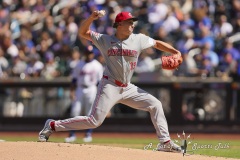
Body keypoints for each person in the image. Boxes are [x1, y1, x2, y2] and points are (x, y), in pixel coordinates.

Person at [39, 11, 183, 152]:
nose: (132, 25)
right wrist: (91, 18)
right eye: (129, 22)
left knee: (155, 104)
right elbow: (83, 33)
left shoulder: (139, 39)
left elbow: (157, 43)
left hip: (128, 87)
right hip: (110, 85)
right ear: (119, 25)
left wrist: (175, 52)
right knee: (94, 121)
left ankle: (165, 142)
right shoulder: (105, 40)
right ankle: (52, 125)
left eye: (133, 22)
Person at [65, 46, 104, 143]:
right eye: (87, 53)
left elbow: (100, 82)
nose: (89, 55)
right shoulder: (79, 64)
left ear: (93, 54)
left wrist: (100, 95)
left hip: (91, 89)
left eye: (90, 53)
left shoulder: (97, 65)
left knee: (89, 113)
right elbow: (74, 80)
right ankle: (72, 134)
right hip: (80, 88)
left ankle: (88, 134)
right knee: (75, 111)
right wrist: (72, 91)